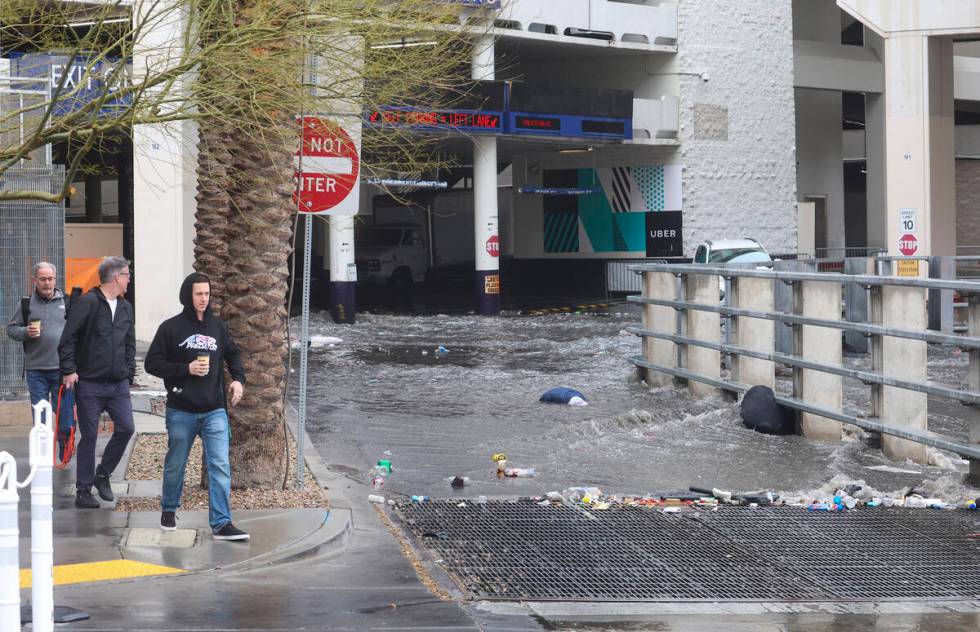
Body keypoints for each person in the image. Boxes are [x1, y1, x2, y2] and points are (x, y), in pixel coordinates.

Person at [144, 272, 249, 541]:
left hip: (214, 409)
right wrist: (185, 369)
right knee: (176, 464)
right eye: (198, 294)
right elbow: (152, 363)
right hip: (181, 409)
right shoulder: (171, 328)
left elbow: (233, 353)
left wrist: (238, 380)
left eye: (207, 293)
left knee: (220, 465)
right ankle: (169, 509)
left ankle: (222, 523)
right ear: (187, 296)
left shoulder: (217, 326)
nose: (204, 298)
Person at [58, 256, 136, 509]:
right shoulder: (87, 303)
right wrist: (69, 370)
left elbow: (129, 343)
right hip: (90, 384)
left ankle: (102, 474)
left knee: (126, 428)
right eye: (126, 275)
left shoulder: (125, 307)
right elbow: (68, 339)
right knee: (89, 435)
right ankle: (83, 490)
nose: (129, 279)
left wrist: (129, 373)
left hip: (118, 385)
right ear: (116, 277)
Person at [6, 262, 66, 416]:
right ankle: (43, 441)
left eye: (50, 278)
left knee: (65, 420)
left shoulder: (67, 302)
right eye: (43, 279)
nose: (47, 283)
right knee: (41, 420)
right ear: (35, 281)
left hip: (63, 370)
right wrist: (25, 331)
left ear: (55, 279)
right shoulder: (25, 303)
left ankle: (65, 441)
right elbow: (11, 330)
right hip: (36, 371)